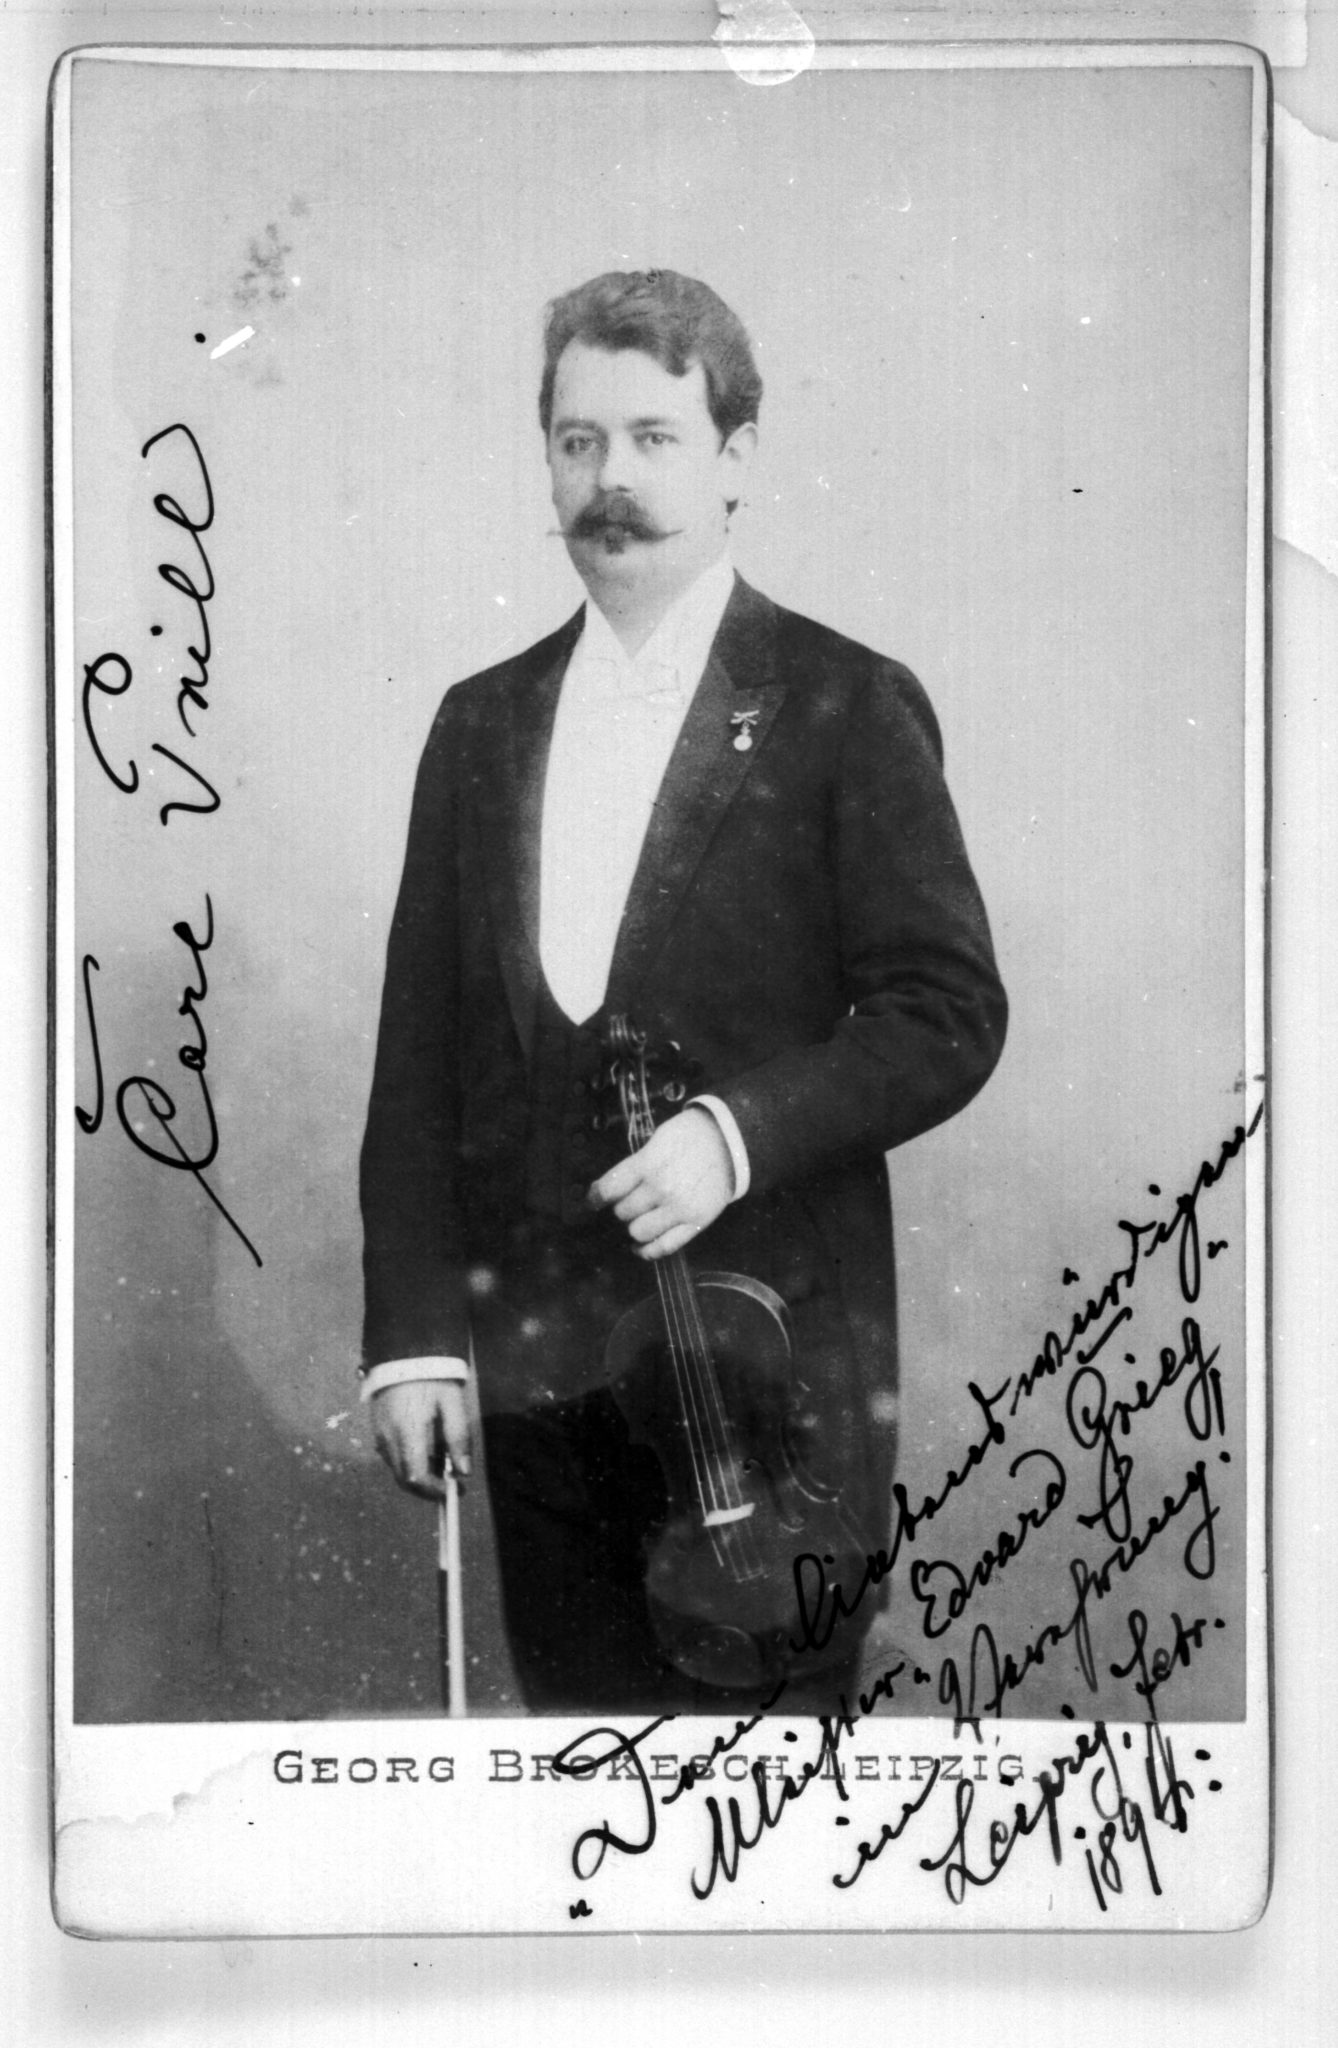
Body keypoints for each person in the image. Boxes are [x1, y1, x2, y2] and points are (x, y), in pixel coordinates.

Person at [359, 269, 1007, 1714]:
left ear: (735, 457)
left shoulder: (844, 701)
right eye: (578, 440)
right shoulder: (479, 724)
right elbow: (418, 1068)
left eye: (654, 437)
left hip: (764, 1383)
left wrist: (735, 1135)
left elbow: (947, 1011)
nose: (612, 479)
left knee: (760, 1804)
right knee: (576, 1786)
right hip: (534, 1378)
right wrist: (412, 1340)